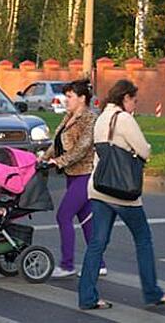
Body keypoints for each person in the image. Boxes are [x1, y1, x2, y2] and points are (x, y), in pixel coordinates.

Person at [78, 80, 165, 309]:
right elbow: (144, 149)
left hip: (99, 188)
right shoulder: (123, 119)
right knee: (143, 239)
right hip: (123, 192)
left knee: (97, 244)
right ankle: (152, 292)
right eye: (134, 100)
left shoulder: (101, 117)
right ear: (125, 98)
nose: (135, 105)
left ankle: (87, 297)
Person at [39, 80, 106, 278]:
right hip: (71, 174)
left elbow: (81, 148)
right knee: (86, 220)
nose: (65, 100)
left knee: (63, 216)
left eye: (69, 96)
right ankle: (100, 263)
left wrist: (57, 162)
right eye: (66, 96)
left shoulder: (90, 119)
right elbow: (56, 142)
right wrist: (43, 158)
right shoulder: (69, 117)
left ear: (82, 98)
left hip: (86, 174)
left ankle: (67, 265)